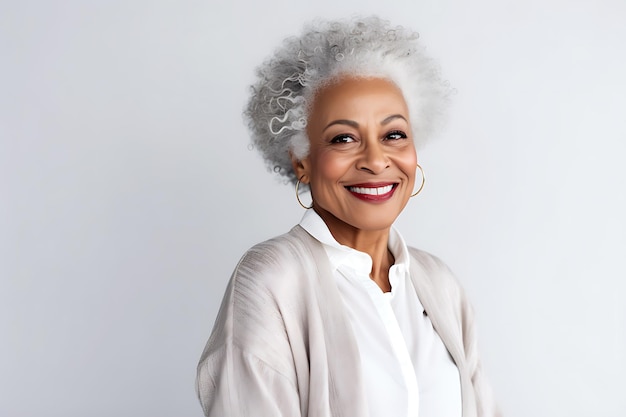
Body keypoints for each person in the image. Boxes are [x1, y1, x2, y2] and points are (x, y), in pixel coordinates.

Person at [196, 16, 500, 417]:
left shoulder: (438, 283)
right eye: (343, 138)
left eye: (394, 134)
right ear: (302, 161)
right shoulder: (273, 279)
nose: (376, 160)